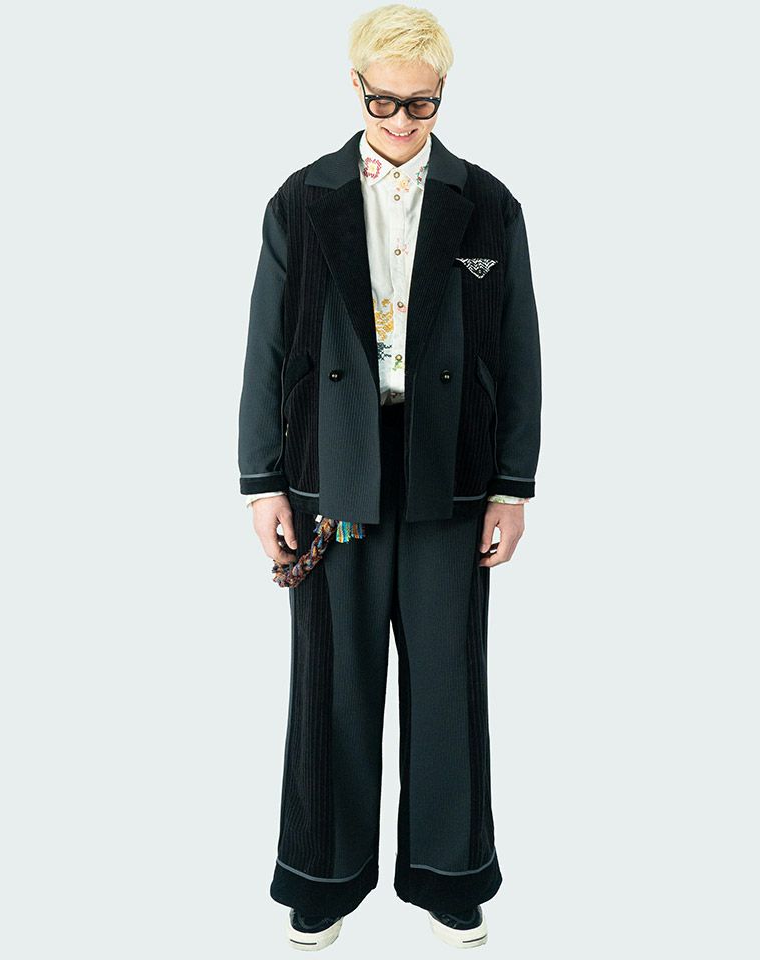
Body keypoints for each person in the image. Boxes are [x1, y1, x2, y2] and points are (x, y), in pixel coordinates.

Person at [237, 3, 541, 949]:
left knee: (449, 679)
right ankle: (323, 877)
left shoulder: (489, 203)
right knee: (333, 678)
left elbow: (520, 351)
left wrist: (513, 487)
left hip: (453, 470)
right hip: (334, 467)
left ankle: (450, 873)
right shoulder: (301, 199)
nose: (402, 120)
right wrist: (262, 481)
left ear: (443, 94)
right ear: (356, 87)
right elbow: (265, 346)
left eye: (421, 103)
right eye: (384, 101)